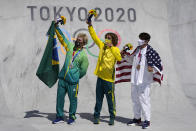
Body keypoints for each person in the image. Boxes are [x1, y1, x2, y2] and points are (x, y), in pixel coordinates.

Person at [121, 32, 163, 129]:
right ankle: (137, 119)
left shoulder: (151, 52)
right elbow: (132, 60)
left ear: (147, 41)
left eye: (142, 39)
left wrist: (153, 69)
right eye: (139, 38)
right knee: (135, 100)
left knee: (144, 100)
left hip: (144, 81)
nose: (139, 40)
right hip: (135, 79)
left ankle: (147, 120)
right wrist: (125, 55)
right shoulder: (137, 50)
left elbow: (158, 64)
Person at [52, 21, 89, 125]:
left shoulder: (83, 56)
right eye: (77, 39)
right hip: (62, 79)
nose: (77, 41)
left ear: (83, 43)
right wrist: (56, 27)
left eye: (80, 41)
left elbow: (83, 71)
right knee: (59, 98)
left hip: (73, 82)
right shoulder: (69, 46)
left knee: (73, 100)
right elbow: (62, 38)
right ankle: (59, 116)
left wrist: (75, 76)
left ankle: (72, 116)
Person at [86, 20, 122, 125]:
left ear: (113, 40)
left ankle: (112, 117)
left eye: (109, 38)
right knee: (98, 100)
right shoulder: (102, 46)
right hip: (100, 78)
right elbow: (94, 37)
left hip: (109, 81)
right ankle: (96, 116)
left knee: (110, 100)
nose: (106, 39)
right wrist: (90, 26)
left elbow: (119, 58)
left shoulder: (115, 50)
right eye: (106, 37)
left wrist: (112, 48)